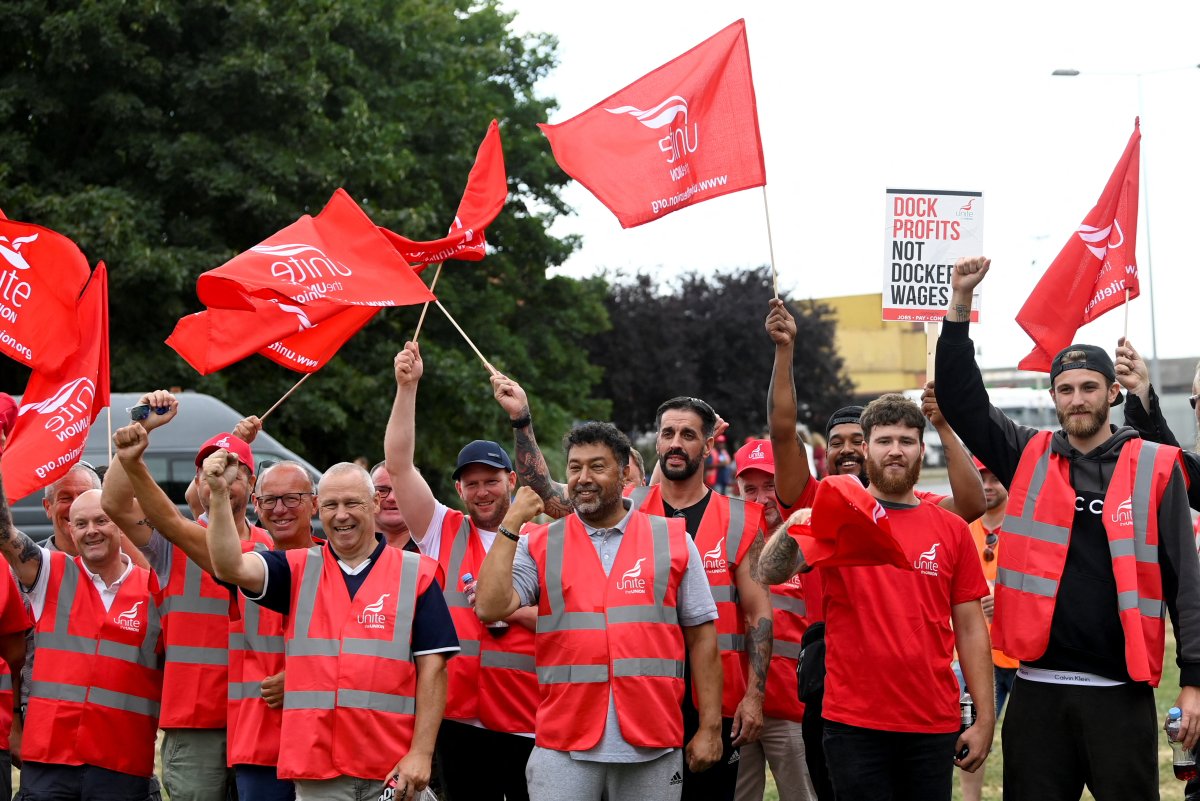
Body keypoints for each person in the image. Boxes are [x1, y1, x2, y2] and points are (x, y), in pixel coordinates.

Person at [938, 256, 1200, 801]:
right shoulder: (1026, 454)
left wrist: (1194, 683)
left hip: (1120, 694)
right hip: (1037, 693)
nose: (1077, 398)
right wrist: (960, 305)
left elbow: (1187, 590)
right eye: (1065, 389)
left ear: (1113, 393)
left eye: (1089, 387)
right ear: (1053, 397)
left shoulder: (1155, 466)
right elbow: (963, 399)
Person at [494, 377, 773, 801]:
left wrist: (734, 709)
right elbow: (543, 496)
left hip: (678, 716)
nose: (583, 477)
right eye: (667, 433)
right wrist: (522, 422)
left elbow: (731, 626)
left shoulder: (699, 529)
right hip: (578, 726)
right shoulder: (589, 517)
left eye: (688, 434)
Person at [756, 298, 985, 800]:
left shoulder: (926, 511)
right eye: (836, 441)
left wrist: (943, 424)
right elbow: (781, 429)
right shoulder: (822, 502)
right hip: (836, 684)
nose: (846, 449)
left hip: (922, 709)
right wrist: (784, 351)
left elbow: (971, 502)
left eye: (856, 441)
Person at [474, 421, 724, 801]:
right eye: (575, 468)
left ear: (624, 473)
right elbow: (490, 606)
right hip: (564, 744)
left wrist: (710, 727)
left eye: (597, 466)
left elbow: (703, 639)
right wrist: (511, 523)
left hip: (652, 742)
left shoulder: (673, 539)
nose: (583, 478)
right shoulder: (541, 543)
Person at [206, 457, 456, 800]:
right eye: (331, 505)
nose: (341, 515)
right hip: (319, 772)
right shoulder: (293, 569)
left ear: (375, 503)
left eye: (352, 503)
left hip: (391, 767)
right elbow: (228, 564)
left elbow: (434, 669)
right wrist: (219, 496)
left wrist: (422, 753)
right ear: (316, 509)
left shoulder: (418, 574)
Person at [385, 341, 538, 801]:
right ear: (458, 488)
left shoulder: (543, 536)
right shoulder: (440, 528)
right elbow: (397, 465)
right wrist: (406, 388)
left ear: (512, 480)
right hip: (458, 722)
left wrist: (509, 613)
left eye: (492, 480)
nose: (482, 491)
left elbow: (571, 618)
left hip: (529, 718)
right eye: (471, 484)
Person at [101, 391, 272, 801]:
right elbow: (114, 504)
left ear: (251, 484)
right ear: (199, 482)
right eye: (215, 470)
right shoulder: (170, 542)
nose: (226, 479)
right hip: (196, 724)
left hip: (262, 715)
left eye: (236, 471)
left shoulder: (274, 547)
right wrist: (142, 430)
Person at [0, 474, 165, 801]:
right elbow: (4, 533)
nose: (91, 530)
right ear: (69, 531)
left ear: (119, 525)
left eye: (102, 520)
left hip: (122, 762)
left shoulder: (155, 590)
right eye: (81, 523)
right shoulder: (50, 574)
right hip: (50, 762)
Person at [730, 439, 816, 801]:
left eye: (770, 485)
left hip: (793, 710)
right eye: (750, 489)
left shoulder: (808, 538)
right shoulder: (730, 540)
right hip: (737, 707)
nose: (761, 497)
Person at [950, 457, 1019, 801]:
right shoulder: (963, 527)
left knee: (1023, 744)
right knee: (969, 739)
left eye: (995, 477)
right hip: (974, 659)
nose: (988, 486)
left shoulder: (1022, 527)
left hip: (1018, 658)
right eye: (981, 478)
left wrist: (1004, 602)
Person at [369, 461, 418, 552]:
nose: (392, 498)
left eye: (402, 489)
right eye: (382, 490)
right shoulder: (348, 546)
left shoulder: (435, 546)